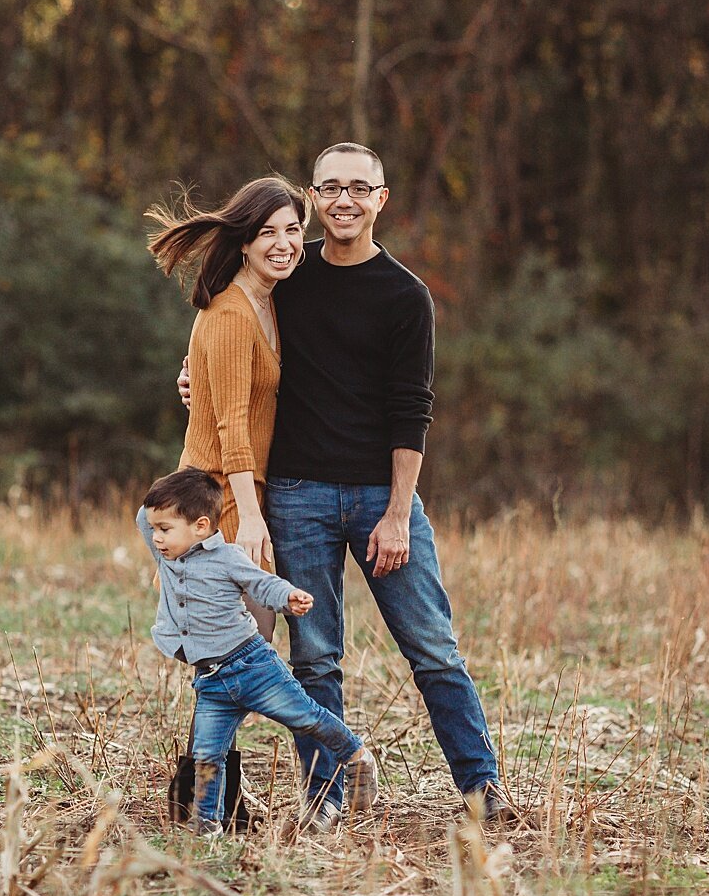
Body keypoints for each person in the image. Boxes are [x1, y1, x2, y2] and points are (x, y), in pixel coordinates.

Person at [179, 143, 514, 830]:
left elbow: (410, 412)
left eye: (359, 189)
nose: (344, 200)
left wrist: (396, 513)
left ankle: (484, 792)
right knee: (315, 657)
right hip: (298, 496)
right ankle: (326, 801)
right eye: (330, 188)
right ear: (313, 197)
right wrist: (192, 379)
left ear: (380, 200)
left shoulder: (404, 296)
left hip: (378, 498)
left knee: (435, 651)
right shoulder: (287, 278)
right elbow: (230, 335)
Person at [136, 468, 379, 838]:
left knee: (306, 717)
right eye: (155, 530)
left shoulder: (227, 557)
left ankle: (355, 754)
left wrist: (287, 598)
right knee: (206, 757)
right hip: (211, 679)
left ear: (201, 526)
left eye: (164, 529)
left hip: (252, 665)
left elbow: (261, 584)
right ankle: (206, 828)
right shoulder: (167, 558)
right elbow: (144, 513)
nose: (155, 538)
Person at [146, 175, 305, 638]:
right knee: (240, 640)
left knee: (246, 639)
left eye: (292, 229)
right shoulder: (233, 313)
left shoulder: (268, 300)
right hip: (218, 492)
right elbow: (231, 424)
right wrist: (251, 519)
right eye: (268, 232)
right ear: (243, 242)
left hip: (242, 488)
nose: (283, 243)